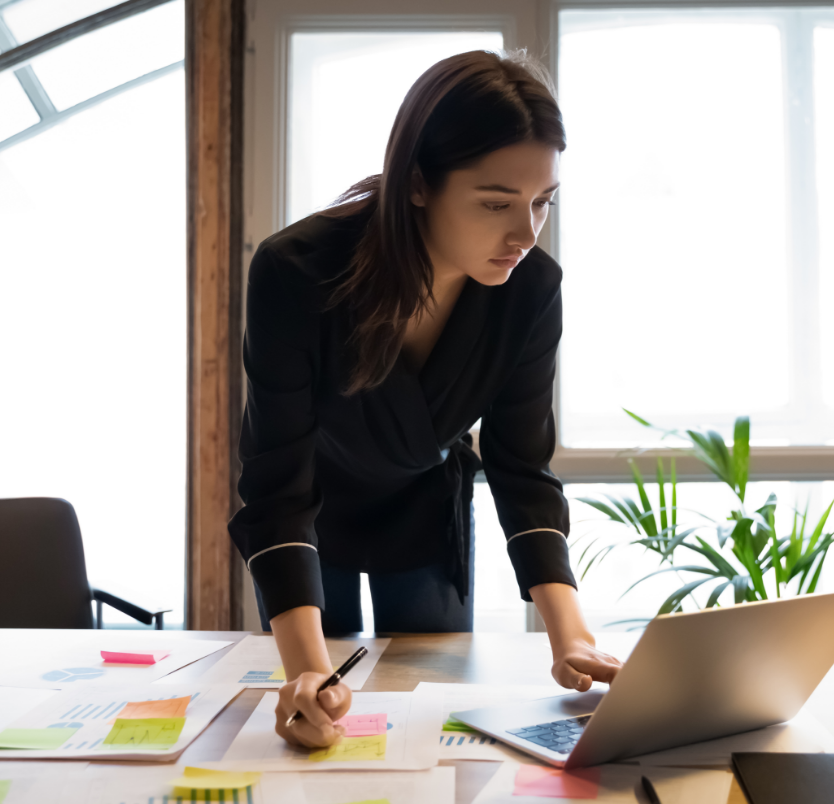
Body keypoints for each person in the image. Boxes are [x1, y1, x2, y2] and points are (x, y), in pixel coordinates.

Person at [227, 49, 621, 750]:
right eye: (496, 203)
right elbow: (277, 484)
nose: (525, 234)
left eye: (543, 202)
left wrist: (573, 637)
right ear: (417, 185)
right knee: (321, 709)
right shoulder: (296, 271)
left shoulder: (532, 290)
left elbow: (521, 466)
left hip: (424, 505)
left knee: (430, 718)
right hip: (310, 511)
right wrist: (307, 683)